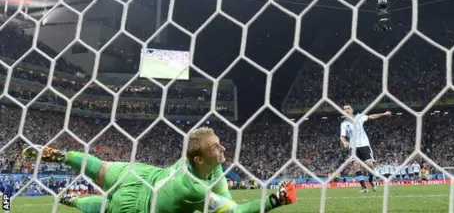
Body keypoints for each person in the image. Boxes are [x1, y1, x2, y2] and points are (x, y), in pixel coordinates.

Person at [21, 127, 296, 213]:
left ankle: (64, 158)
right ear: (199, 160)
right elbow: (234, 211)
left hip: (139, 174)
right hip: (136, 206)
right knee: (105, 208)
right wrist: (275, 200)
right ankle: (74, 200)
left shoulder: (207, 168)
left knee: (99, 167)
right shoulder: (194, 188)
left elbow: (230, 203)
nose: (223, 149)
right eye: (216, 147)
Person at [339, 104, 391, 193]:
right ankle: (364, 188)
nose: (346, 110)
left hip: (364, 145)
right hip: (353, 147)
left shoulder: (359, 117)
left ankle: (371, 181)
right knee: (356, 166)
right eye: (344, 109)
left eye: (348, 108)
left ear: (352, 110)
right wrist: (344, 142)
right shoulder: (344, 124)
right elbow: (342, 136)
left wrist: (384, 114)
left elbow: (371, 116)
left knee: (370, 165)